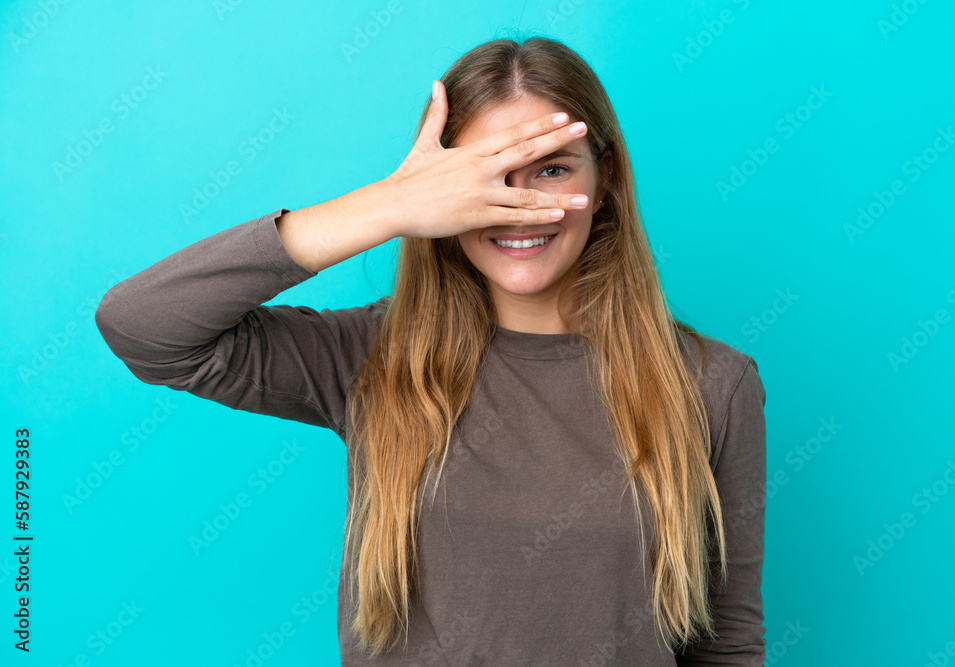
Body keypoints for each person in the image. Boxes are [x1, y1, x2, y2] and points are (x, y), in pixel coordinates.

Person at [96, 36, 767, 665]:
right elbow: (141, 325)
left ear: (606, 178)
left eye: (552, 169)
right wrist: (389, 204)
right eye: (487, 177)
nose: (518, 206)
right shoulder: (368, 356)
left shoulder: (713, 384)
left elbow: (727, 641)